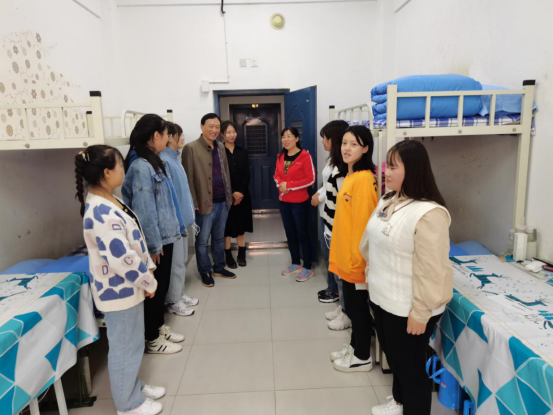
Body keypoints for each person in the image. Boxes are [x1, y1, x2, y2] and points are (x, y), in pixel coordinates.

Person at [361, 140, 453, 415]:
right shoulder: (389, 199)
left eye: (393, 167)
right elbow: (370, 241)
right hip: (383, 298)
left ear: (412, 169)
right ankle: (399, 403)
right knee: (397, 360)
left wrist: (421, 313)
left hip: (409, 308)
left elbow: (432, 270)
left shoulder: (429, 213)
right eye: (386, 165)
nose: (385, 171)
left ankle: (411, 406)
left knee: (411, 370)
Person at [76, 145, 165, 415]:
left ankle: (133, 387)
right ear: (106, 173)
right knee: (125, 347)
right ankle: (127, 405)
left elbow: (134, 239)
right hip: (119, 291)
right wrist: (148, 281)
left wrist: (148, 270)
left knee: (131, 344)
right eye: (120, 165)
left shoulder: (109, 198)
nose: (124, 169)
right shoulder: (100, 212)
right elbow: (121, 258)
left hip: (129, 287)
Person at [123, 114, 185, 354]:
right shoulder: (140, 166)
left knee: (162, 285)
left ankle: (159, 327)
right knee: (154, 290)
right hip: (155, 241)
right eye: (166, 134)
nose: (168, 139)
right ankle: (151, 338)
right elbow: (145, 211)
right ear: (155, 135)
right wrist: (153, 246)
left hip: (165, 235)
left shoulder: (154, 161)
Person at [328, 126, 378, 373]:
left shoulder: (364, 180)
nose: (346, 148)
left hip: (356, 261)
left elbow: (364, 227)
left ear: (366, 148)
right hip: (345, 257)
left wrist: (360, 263)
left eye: (354, 144)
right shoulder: (350, 176)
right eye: (344, 143)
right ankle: (354, 346)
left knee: (358, 310)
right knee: (352, 307)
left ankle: (362, 356)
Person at [182, 113, 235, 287]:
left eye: (217, 127)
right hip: (204, 202)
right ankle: (205, 270)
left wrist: (229, 197)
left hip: (223, 201)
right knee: (202, 241)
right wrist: (193, 202)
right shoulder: (191, 148)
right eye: (211, 126)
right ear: (202, 127)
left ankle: (219, 267)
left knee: (219, 238)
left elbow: (226, 173)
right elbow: (188, 178)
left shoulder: (220, 147)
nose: (214, 130)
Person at [160, 122, 198, 316]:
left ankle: (179, 294)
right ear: (169, 138)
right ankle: (173, 301)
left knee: (181, 261)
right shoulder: (165, 161)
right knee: (175, 263)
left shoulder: (175, 158)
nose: (182, 138)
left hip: (183, 222)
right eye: (179, 135)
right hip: (175, 223)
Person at [312, 120, 348, 304]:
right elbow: (326, 184)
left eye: (325, 138)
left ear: (333, 139)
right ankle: (332, 288)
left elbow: (338, 190)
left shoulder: (343, 164)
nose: (322, 142)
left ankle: (335, 291)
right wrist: (318, 194)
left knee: (332, 255)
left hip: (332, 213)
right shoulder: (331, 159)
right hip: (324, 211)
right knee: (327, 253)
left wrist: (320, 197)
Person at [273, 127, 316, 282]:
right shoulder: (280, 156)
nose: (285, 140)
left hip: (299, 202)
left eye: (289, 136)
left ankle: (308, 267)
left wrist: (289, 185)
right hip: (284, 201)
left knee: (302, 233)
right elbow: (276, 175)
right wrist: (280, 185)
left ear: (297, 139)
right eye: (283, 137)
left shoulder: (305, 156)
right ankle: (295, 263)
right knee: (290, 233)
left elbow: (310, 179)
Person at [220, 121, 253, 268]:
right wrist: (232, 192)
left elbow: (246, 174)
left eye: (233, 132)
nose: (232, 135)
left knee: (241, 224)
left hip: (243, 195)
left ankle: (241, 253)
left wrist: (240, 192)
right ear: (222, 134)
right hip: (226, 196)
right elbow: (221, 176)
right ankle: (228, 255)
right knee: (227, 226)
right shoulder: (219, 151)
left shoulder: (242, 151)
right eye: (228, 132)